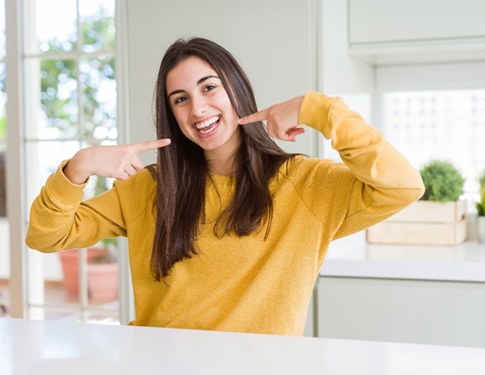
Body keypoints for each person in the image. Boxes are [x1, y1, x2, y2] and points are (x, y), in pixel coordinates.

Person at [26, 37, 424, 336]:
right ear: (172, 115)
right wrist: (76, 169)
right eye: (180, 99)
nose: (197, 109)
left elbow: (402, 187)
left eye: (209, 87)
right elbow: (46, 237)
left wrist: (318, 109)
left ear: (236, 88)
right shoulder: (148, 187)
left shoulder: (305, 183)